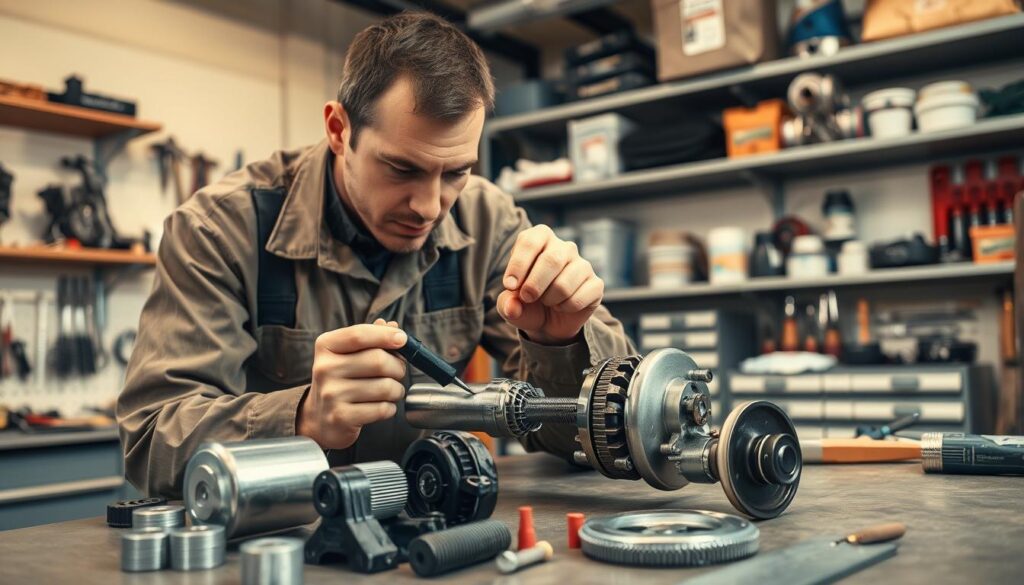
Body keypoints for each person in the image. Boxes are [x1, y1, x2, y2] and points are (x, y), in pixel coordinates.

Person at [117, 11, 633, 498]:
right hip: (282, 534)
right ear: (339, 131)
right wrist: (301, 417)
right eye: (402, 169)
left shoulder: (488, 220)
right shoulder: (219, 230)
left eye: (455, 172)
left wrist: (562, 341)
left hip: (433, 524)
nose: (430, 206)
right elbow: (151, 443)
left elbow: (609, 436)